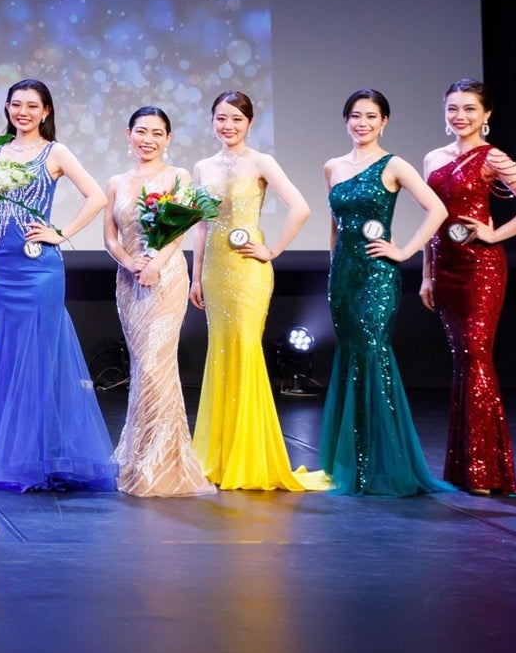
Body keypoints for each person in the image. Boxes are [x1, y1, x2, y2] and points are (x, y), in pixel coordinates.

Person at [0, 78, 117, 492]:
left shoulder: (55, 152)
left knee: (42, 358)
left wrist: (59, 233)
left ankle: (41, 455)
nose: (23, 112)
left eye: (32, 105)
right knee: (10, 353)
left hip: (40, 266)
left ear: (46, 111)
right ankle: (12, 453)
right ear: (7, 108)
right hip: (5, 266)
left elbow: (97, 197)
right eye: (16, 104)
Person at [188, 92, 330, 492]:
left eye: (236, 118)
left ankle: (248, 456)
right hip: (215, 270)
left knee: (245, 350)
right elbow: (201, 225)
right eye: (221, 118)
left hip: (248, 269)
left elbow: (300, 207)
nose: (228, 125)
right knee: (220, 353)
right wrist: (195, 276)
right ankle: (218, 455)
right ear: (212, 121)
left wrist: (273, 249)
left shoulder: (262, 162)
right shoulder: (202, 167)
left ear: (249, 123)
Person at [318, 89, 454, 496]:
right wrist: (334, 267)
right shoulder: (333, 167)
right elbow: (335, 225)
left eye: (371, 116)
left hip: (377, 277)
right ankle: (352, 462)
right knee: (352, 357)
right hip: (343, 278)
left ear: (384, 122)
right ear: (346, 120)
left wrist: (405, 251)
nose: (362, 123)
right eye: (356, 116)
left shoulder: (393, 164)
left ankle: (379, 464)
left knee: (372, 355)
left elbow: (438, 210)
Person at [420, 78, 516, 494]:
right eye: (453, 108)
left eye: (469, 109)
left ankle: (486, 471)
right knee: (462, 360)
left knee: (476, 355)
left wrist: (496, 235)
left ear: (486, 115)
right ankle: (466, 469)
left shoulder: (492, 157)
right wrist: (427, 273)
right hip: (445, 267)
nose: (460, 116)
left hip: (481, 269)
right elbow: (432, 220)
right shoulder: (432, 158)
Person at [100, 106, 216, 498]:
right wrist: (129, 261)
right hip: (128, 280)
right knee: (141, 367)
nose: (147, 139)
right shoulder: (116, 182)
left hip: (165, 279)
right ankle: (138, 458)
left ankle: (163, 462)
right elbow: (110, 237)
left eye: (156, 133)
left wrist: (154, 265)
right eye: (141, 131)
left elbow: (179, 232)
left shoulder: (177, 176)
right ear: (128, 133)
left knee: (156, 366)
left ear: (168, 138)